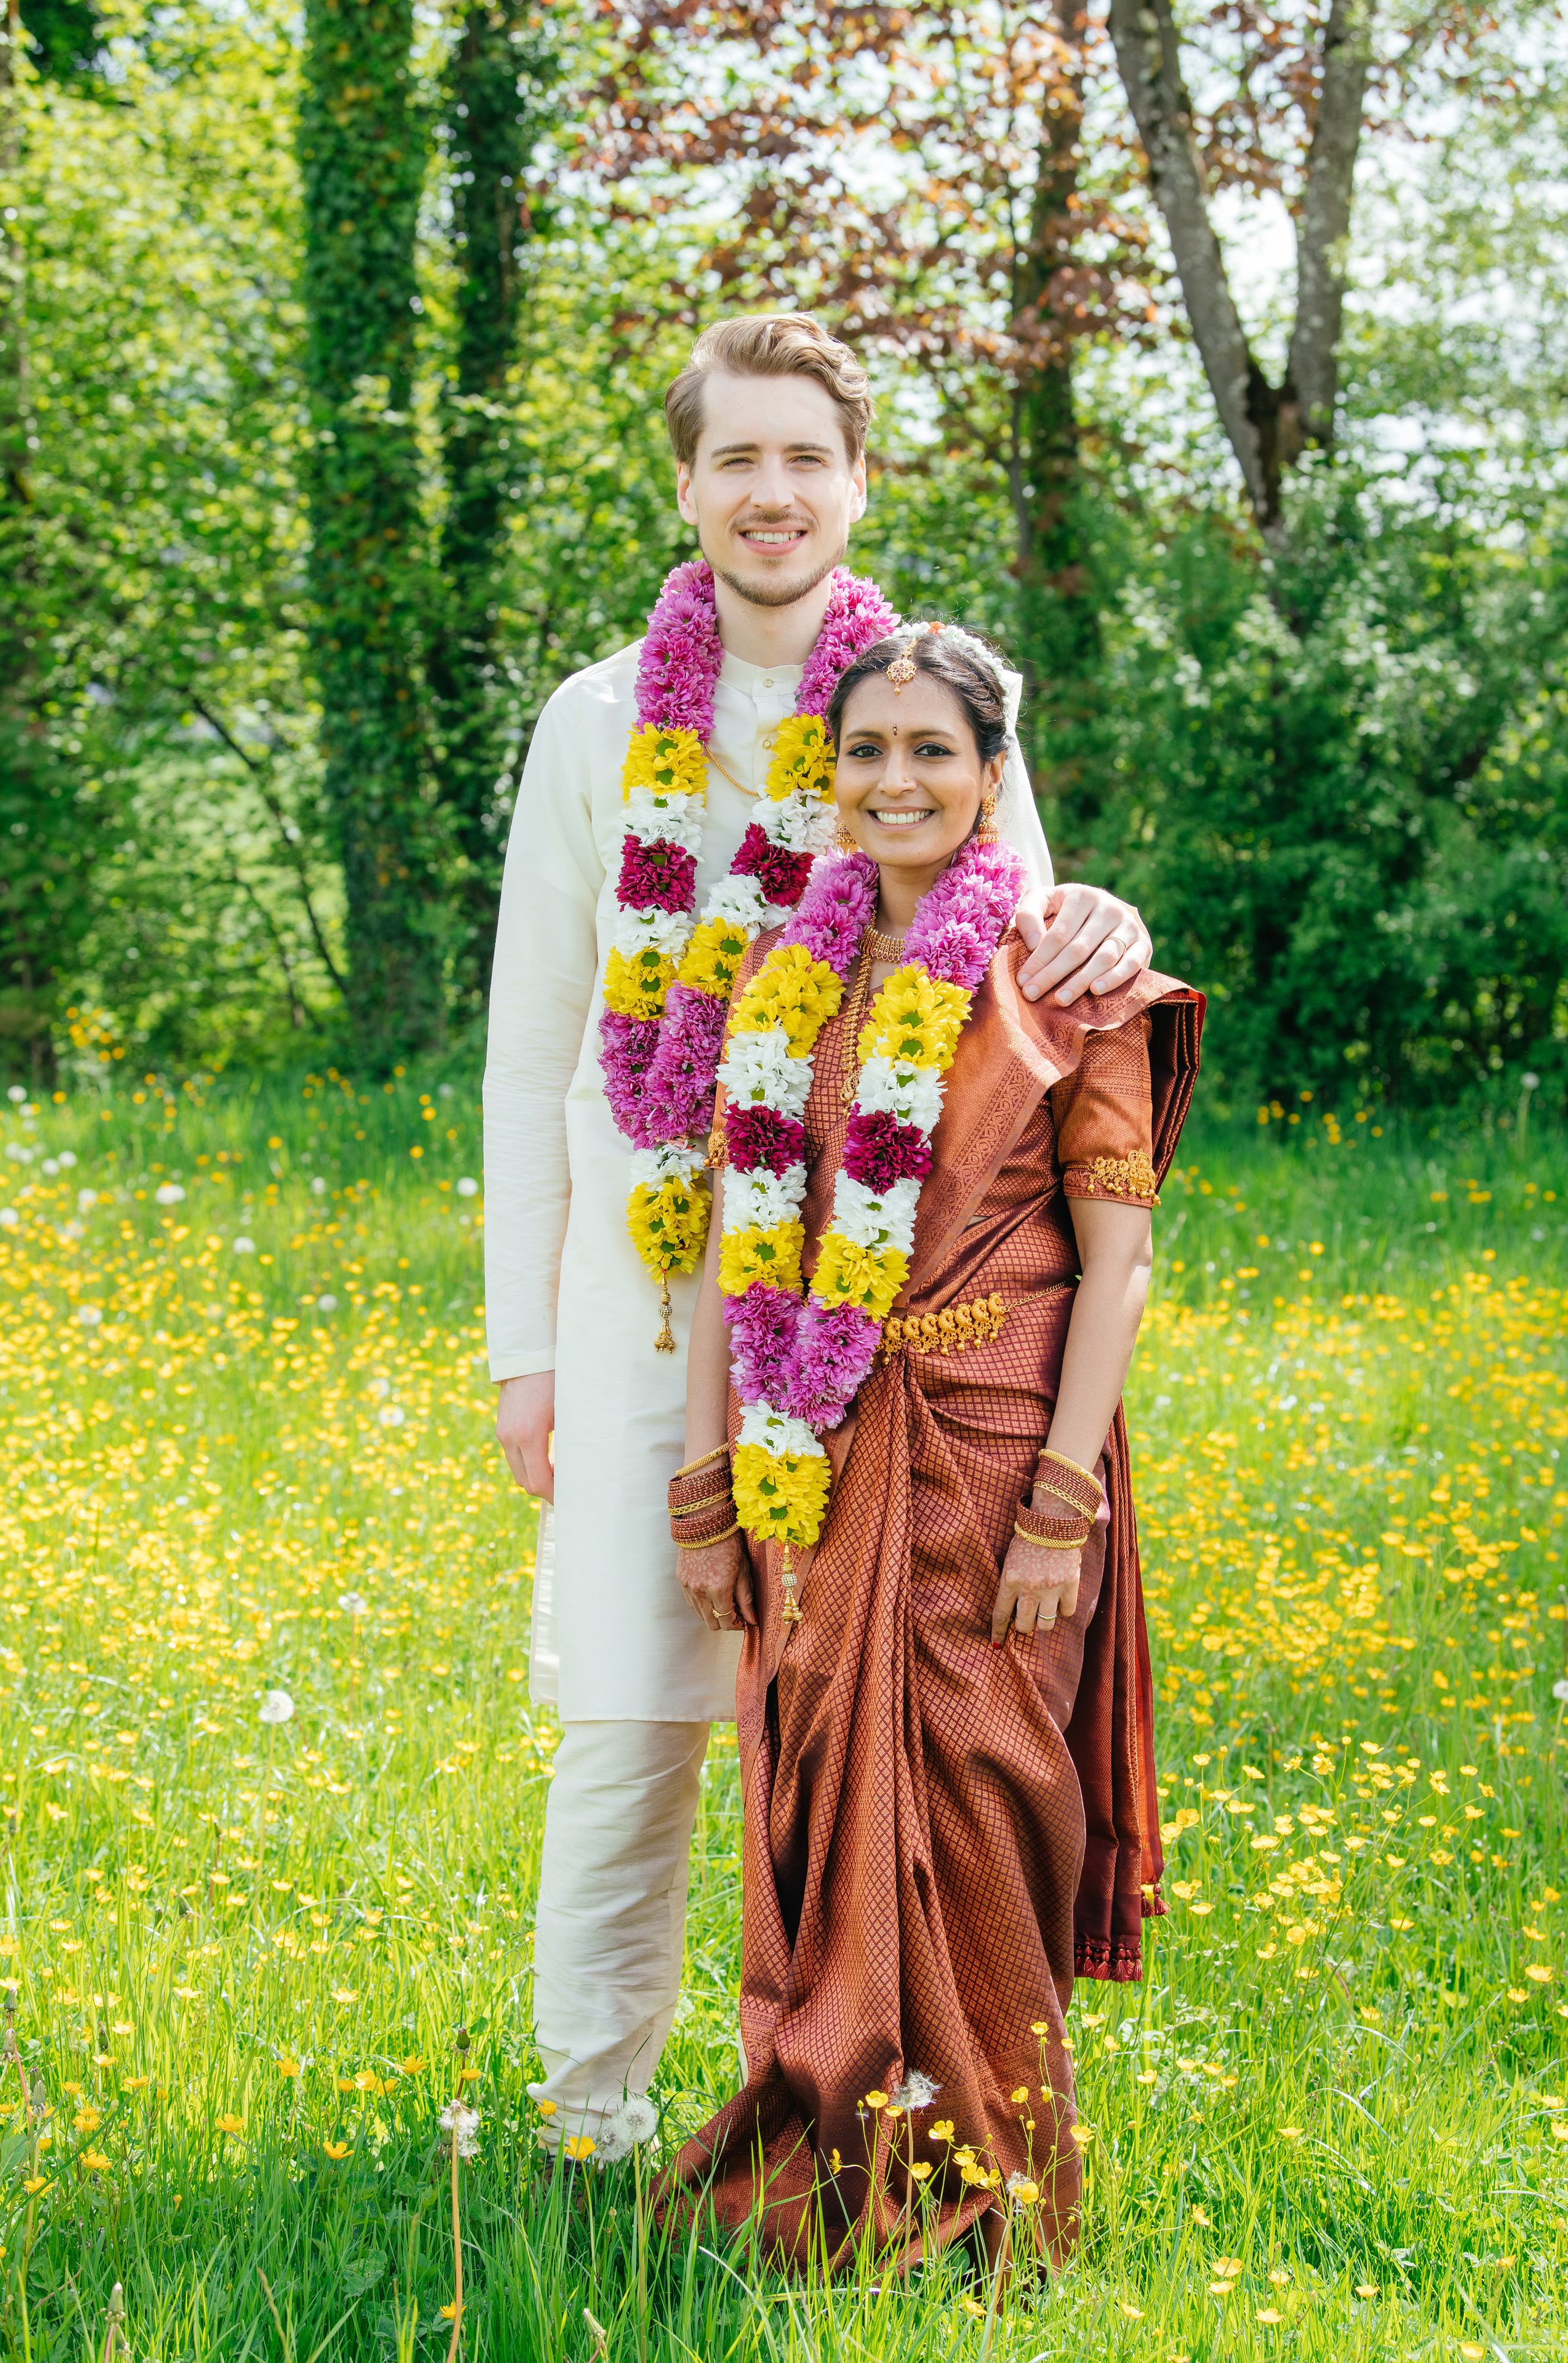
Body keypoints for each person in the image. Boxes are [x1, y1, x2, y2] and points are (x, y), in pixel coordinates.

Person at [484, 311, 1158, 2151]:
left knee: (852, 1720)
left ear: (859, 482)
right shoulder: (600, 718)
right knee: (632, 1712)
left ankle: (859, 2090)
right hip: (653, 1297)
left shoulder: (934, 698)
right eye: (737, 458)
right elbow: (533, 1042)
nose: (771, 492)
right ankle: (590, 2118)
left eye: (807, 458)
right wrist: (525, 1349)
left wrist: (1089, 897)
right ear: (689, 483)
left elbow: (1018, 942)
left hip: (874, 1316)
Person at [665, 624, 1201, 2266]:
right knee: (816, 1798)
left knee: (985, 1794)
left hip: (992, 1459)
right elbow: (718, 1251)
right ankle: (818, 2168)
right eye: (870, 751)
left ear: (989, 773)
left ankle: (990, 2197)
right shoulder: (779, 977)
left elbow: (1117, 1262)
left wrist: (1063, 1500)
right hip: (806, 1465)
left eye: (935, 751)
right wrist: (704, 1490)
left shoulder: (1063, 978)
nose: (899, 780)